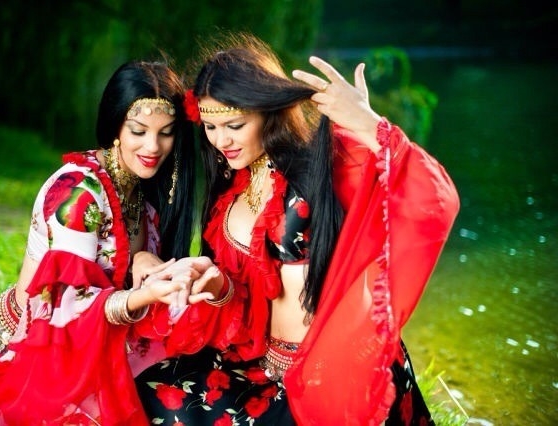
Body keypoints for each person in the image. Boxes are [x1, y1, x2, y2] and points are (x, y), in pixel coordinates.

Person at [132, 33, 460, 425]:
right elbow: (249, 302)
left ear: (266, 110)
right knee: (150, 392)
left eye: (234, 125)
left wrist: (368, 124)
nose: (221, 140)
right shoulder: (230, 185)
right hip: (262, 367)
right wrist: (218, 286)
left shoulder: (324, 162)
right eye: (210, 127)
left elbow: (431, 196)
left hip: (330, 372)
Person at [0, 60, 224, 425]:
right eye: (138, 131)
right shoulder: (78, 194)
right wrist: (144, 294)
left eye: (166, 133)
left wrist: (145, 260)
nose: (153, 146)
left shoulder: (142, 195)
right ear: (115, 126)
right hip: (36, 348)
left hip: (98, 341)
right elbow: (65, 307)